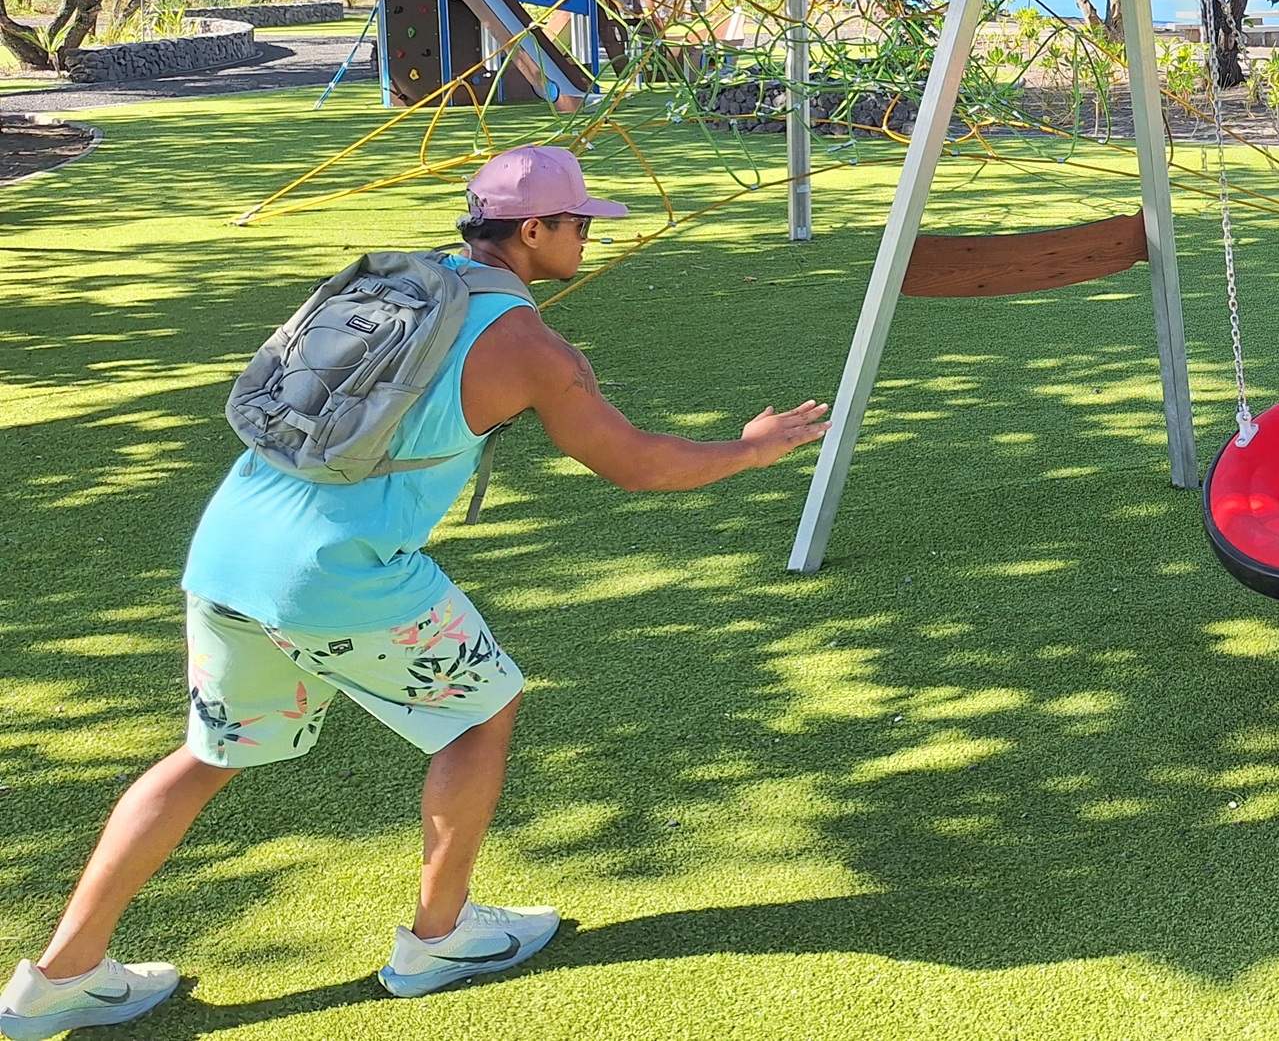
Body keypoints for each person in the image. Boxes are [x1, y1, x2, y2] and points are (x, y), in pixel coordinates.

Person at [1, 146, 830, 1038]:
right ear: (533, 230)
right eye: (579, 221)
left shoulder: (402, 281)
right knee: (481, 713)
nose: (589, 235)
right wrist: (753, 447)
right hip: (336, 573)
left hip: (229, 548)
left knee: (208, 755)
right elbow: (636, 464)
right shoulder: (530, 344)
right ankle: (439, 936)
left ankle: (60, 974)